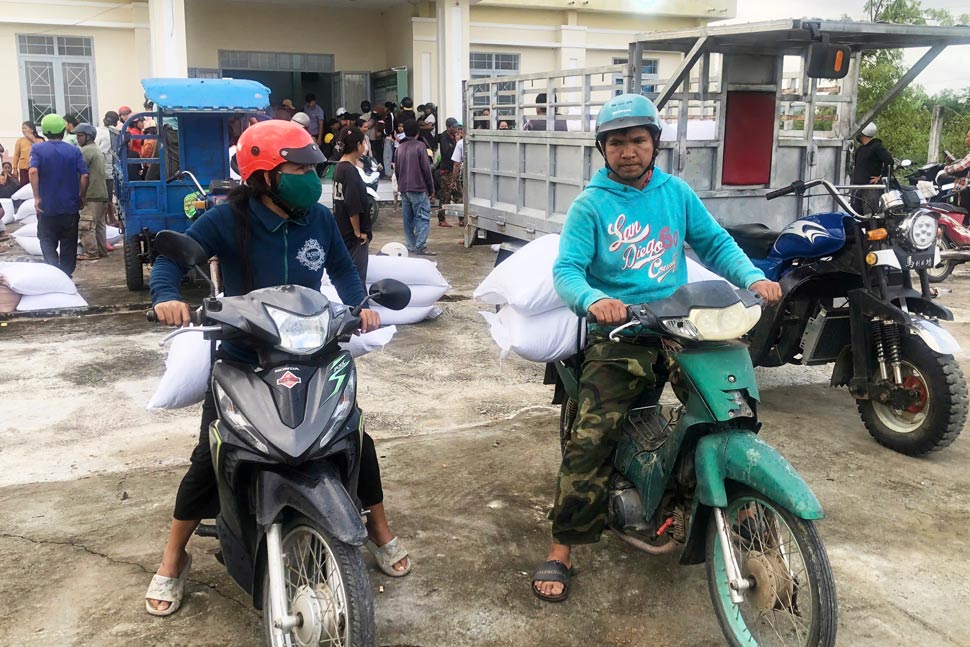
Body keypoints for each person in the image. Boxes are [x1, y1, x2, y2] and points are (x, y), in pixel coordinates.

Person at [145, 120, 411, 617]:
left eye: (313, 167)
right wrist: (166, 298)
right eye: (298, 168)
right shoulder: (228, 219)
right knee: (212, 453)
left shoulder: (319, 217)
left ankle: (377, 528)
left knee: (354, 439)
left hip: (312, 352)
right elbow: (171, 263)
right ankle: (174, 555)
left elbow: (344, 270)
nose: (311, 177)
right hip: (244, 355)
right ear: (264, 175)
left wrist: (361, 305)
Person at [531, 94, 782, 603]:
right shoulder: (591, 205)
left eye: (638, 140)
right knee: (594, 435)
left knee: (732, 410)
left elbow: (715, 244)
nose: (628, 151)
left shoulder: (677, 193)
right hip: (621, 334)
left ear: (654, 144)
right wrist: (594, 300)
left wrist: (754, 277)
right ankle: (563, 545)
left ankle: (741, 507)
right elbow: (567, 271)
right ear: (603, 149)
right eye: (617, 142)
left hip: (681, 324)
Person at [29, 114, 89, 278]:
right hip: (69, 207)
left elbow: (33, 171)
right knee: (69, 242)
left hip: (46, 207)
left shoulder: (37, 149)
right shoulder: (73, 150)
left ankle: (53, 270)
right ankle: (66, 273)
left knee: (46, 239)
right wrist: (82, 196)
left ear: (45, 131)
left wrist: (36, 197)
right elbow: (85, 175)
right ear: (63, 130)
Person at [333, 127, 373, 280]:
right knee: (357, 278)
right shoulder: (350, 171)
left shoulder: (339, 167)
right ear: (358, 145)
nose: (365, 146)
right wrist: (358, 232)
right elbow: (352, 205)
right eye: (363, 142)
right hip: (352, 236)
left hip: (342, 229)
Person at [396, 119, 436, 256]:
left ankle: (411, 245)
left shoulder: (399, 148)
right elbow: (426, 170)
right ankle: (420, 246)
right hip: (418, 187)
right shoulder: (420, 147)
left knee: (408, 218)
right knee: (422, 217)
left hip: (404, 187)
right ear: (418, 132)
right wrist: (431, 189)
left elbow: (397, 170)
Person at [75, 123, 109, 259]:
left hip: (91, 194)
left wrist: (81, 195)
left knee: (86, 225)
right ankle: (101, 251)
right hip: (101, 193)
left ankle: (91, 252)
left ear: (88, 137)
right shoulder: (96, 149)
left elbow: (81, 173)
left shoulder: (86, 151)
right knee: (100, 226)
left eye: (80, 136)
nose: (78, 139)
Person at [850, 122, 893, 214]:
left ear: (863, 134)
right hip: (858, 186)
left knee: (870, 213)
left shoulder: (876, 146)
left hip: (870, 187)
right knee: (856, 212)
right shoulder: (862, 148)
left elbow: (889, 161)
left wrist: (881, 177)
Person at [435, 117, 462, 227]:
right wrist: (456, 142)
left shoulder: (454, 137)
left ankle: (462, 218)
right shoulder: (444, 138)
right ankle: (441, 219)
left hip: (455, 171)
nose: (456, 129)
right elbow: (449, 154)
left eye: (457, 127)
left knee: (459, 195)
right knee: (445, 196)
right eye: (454, 127)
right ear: (448, 127)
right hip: (446, 171)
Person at [96, 111, 119, 223]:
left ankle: (109, 218)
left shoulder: (97, 130)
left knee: (106, 197)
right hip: (106, 170)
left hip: (100, 170)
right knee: (107, 197)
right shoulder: (109, 135)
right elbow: (102, 153)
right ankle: (107, 220)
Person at [943, 128, 970, 208]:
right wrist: (950, 162)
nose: (966, 139)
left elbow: (958, 168)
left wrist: (946, 168)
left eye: (968, 137)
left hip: (964, 193)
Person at [13, 121, 43, 186]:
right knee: (24, 186)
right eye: (22, 128)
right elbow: (16, 155)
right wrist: (15, 168)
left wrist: (33, 139)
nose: (23, 130)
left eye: (25, 128)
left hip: (36, 167)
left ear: (32, 130)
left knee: (36, 185)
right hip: (23, 168)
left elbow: (42, 151)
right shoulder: (20, 140)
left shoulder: (40, 140)